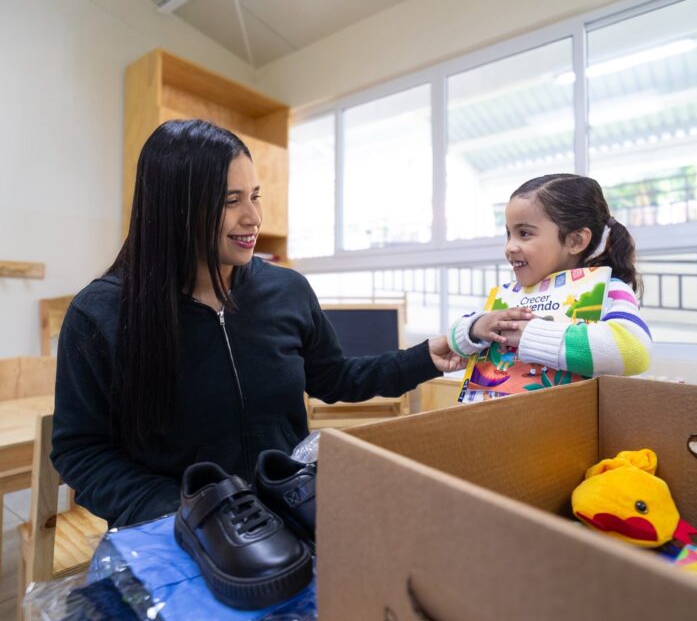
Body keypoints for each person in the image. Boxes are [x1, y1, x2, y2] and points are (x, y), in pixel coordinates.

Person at [52, 119, 463, 527]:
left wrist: (426, 357)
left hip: (288, 514)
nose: (254, 217)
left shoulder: (288, 290)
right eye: (231, 201)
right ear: (173, 207)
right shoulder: (99, 314)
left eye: (255, 196)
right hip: (176, 533)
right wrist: (187, 512)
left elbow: (334, 377)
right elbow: (82, 451)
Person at [448, 173, 652, 377]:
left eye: (525, 233)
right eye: (509, 234)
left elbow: (635, 351)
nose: (509, 247)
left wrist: (529, 334)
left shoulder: (610, 288)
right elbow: (455, 341)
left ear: (575, 241)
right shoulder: (513, 294)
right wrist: (476, 327)